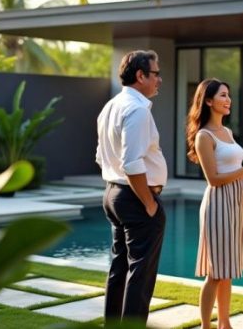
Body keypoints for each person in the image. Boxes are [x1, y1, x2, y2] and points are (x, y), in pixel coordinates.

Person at [186, 78, 243, 329]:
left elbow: (231, 172)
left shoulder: (228, 132)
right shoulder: (204, 136)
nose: (228, 100)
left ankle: (225, 323)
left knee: (227, 270)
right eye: (223, 95)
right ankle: (206, 326)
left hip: (236, 201)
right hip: (218, 204)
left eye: (229, 95)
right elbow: (213, 179)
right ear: (209, 101)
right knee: (215, 272)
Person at [96, 50, 167, 324]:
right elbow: (132, 163)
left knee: (120, 267)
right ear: (141, 75)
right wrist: (149, 203)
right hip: (136, 198)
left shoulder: (110, 107)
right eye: (156, 73)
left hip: (114, 193)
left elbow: (100, 157)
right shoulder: (137, 109)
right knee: (141, 274)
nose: (159, 80)